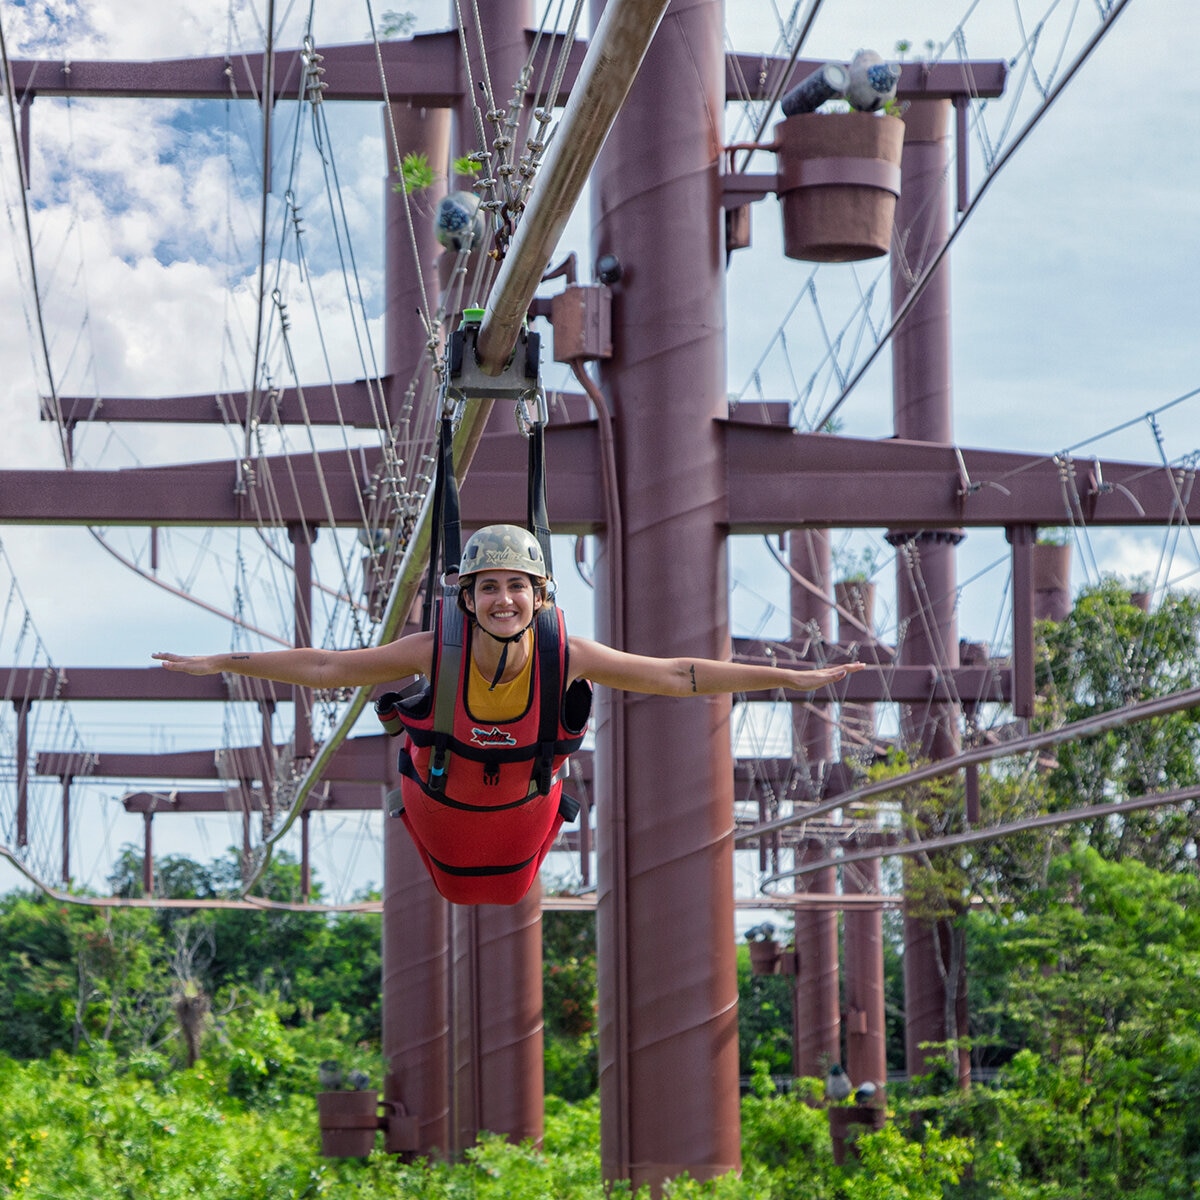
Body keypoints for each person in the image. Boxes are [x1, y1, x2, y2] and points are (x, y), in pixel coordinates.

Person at [154, 523, 865, 905]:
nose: (503, 600)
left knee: (509, 874)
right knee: (451, 859)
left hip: (523, 813)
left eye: (517, 587)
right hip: (440, 807)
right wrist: (224, 663)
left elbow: (678, 675)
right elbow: (326, 667)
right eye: (488, 588)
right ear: (467, 597)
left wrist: (790, 678)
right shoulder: (435, 651)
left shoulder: (569, 653)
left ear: (539, 595)